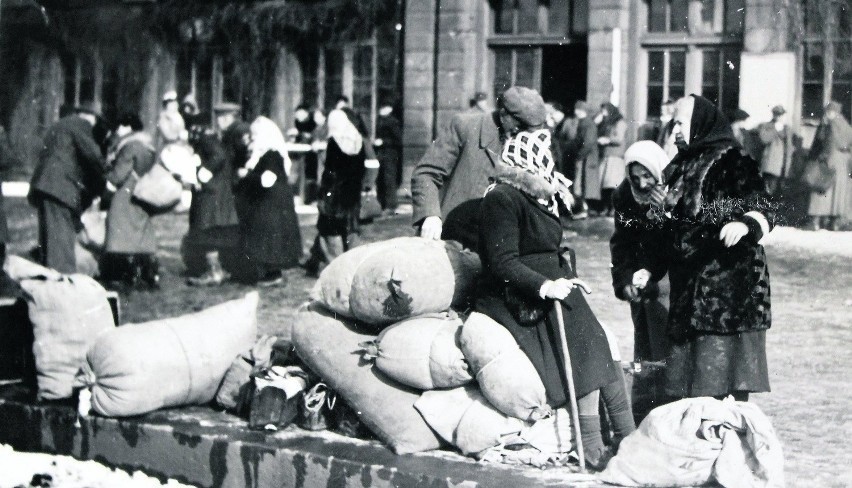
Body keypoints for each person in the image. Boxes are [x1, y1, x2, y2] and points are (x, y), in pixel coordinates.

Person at [476, 129, 634, 470]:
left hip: (549, 287)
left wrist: (566, 276)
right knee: (584, 342)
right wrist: (545, 286)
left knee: (599, 338)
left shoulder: (537, 196)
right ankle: (590, 442)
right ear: (524, 162)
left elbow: (549, 250)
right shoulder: (501, 197)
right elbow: (502, 262)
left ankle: (627, 434)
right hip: (514, 296)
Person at [661, 95, 774, 402]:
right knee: (690, 382)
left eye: (681, 123)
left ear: (701, 123)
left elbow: (761, 204)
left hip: (728, 286)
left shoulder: (732, 158)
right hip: (691, 280)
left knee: (720, 380)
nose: (676, 132)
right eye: (673, 125)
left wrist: (745, 224)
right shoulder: (683, 163)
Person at [411, 86, 548, 249]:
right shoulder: (465, 126)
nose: (523, 136)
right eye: (519, 127)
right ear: (504, 113)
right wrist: (430, 215)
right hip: (454, 236)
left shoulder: (531, 142)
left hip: (500, 245)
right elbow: (426, 174)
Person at [609, 140, 672, 423]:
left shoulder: (675, 192)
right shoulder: (625, 195)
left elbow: (676, 245)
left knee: (669, 351)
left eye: (648, 175)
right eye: (636, 177)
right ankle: (643, 415)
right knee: (643, 350)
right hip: (641, 283)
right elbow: (622, 241)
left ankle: (670, 413)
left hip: (670, 283)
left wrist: (665, 214)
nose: (643, 183)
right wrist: (624, 281)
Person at [29, 103, 106, 273]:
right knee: (61, 247)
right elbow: (93, 156)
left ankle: (49, 286)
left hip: (44, 187)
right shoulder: (81, 125)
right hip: (60, 189)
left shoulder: (60, 125)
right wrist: (106, 170)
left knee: (48, 242)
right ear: (90, 117)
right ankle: (63, 286)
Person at [233, 117, 302, 285]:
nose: (252, 139)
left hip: (272, 206)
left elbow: (267, 180)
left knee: (271, 240)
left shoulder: (271, 155)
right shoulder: (262, 154)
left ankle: (273, 274)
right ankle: (267, 272)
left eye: (255, 136)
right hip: (268, 204)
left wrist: (247, 176)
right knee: (266, 239)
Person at [302, 108, 371, 275]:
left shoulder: (334, 141)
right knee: (349, 228)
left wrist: (323, 193)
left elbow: (330, 172)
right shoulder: (358, 140)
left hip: (335, 194)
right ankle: (319, 261)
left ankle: (336, 267)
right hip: (352, 192)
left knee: (329, 229)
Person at [186, 102, 246, 286]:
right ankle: (219, 269)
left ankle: (214, 272)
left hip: (211, 193)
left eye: (221, 117)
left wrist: (204, 173)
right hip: (219, 191)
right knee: (214, 231)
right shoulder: (216, 136)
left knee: (206, 231)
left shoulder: (207, 138)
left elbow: (218, 157)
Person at [101, 113, 160, 289]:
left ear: (127, 127)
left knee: (119, 233)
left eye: (120, 126)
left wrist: (107, 178)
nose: (117, 130)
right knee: (141, 234)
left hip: (124, 195)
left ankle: (119, 275)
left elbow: (119, 174)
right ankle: (147, 274)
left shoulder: (129, 146)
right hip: (141, 193)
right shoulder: (147, 145)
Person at [807, 101, 852, 231]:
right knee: (838, 192)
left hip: (830, 160)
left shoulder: (829, 125)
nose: (826, 114)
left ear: (833, 112)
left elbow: (828, 143)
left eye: (828, 112)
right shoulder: (846, 126)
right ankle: (834, 222)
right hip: (843, 163)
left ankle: (815, 221)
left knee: (820, 189)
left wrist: (823, 158)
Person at [597, 102, 627, 216]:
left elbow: (619, 138)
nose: (603, 114)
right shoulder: (606, 122)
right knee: (604, 184)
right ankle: (606, 207)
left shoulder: (620, 123)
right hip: (606, 156)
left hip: (615, 156)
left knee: (613, 184)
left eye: (605, 111)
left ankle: (614, 208)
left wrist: (607, 140)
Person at [571, 100, 600, 219]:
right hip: (585, 157)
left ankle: (584, 210)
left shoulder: (588, 124)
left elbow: (588, 143)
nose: (575, 111)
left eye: (577, 109)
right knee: (582, 184)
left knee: (582, 184)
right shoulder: (585, 123)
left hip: (586, 159)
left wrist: (579, 155)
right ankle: (584, 209)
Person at [756, 105, 793, 196]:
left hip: (783, 164)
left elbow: (789, 145)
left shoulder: (787, 128)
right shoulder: (767, 126)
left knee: (779, 192)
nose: (780, 117)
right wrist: (775, 129)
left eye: (782, 115)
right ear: (774, 115)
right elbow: (764, 139)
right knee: (768, 190)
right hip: (771, 164)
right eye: (777, 115)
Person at [374, 101, 402, 214]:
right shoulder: (382, 120)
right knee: (381, 179)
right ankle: (383, 204)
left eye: (383, 107)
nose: (380, 110)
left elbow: (398, 139)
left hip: (390, 154)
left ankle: (390, 206)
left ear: (389, 108)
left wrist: (383, 142)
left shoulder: (392, 121)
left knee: (389, 179)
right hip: (382, 154)